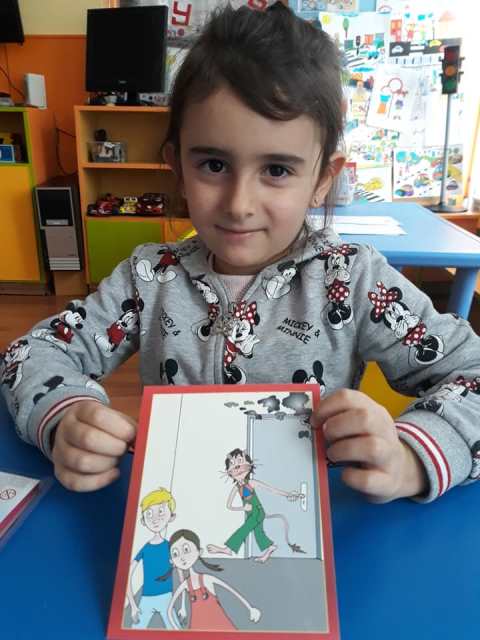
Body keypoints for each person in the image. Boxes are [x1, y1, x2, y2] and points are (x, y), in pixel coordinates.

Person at [1, 2, 480, 504]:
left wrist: (411, 457)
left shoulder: (352, 280)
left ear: (322, 179)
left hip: (305, 515)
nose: (238, 204)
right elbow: (30, 352)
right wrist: (63, 416)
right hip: (176, 510)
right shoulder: (148, 278)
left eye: (276, 170)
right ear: (176, 165)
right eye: (213, 164)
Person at [163, 529, 261, 630]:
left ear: (199, 551)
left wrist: (250, 608)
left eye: (186, 550)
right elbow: (169, 610)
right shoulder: (186, 585)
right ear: (172, 561)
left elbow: (232, 591)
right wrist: (177, 630)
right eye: (175, 554)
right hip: (197, 628)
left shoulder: (206, 579)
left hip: (220, 626)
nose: (182, 557)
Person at [125, 487, 183, 629]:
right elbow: (128, 575)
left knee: (176, 630)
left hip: (166, 598)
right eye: (149, 514)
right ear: (143, 521)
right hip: (146, 598)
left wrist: (183, 606)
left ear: (171, 516)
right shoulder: (145, 549)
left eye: (161, 511)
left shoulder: (170, 547)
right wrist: (133, 605)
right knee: (136, 630)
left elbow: (181, 576)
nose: (155, 519)